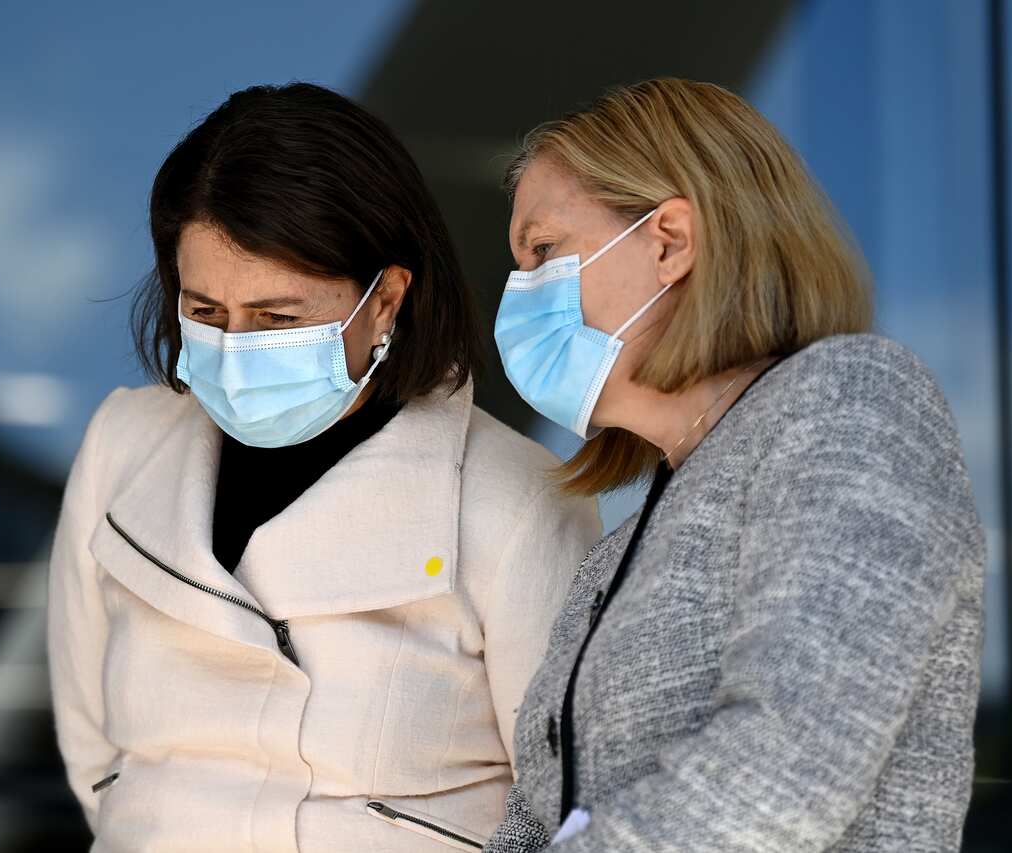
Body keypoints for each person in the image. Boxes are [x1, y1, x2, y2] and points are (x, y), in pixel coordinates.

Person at [47, 82, 601, 853]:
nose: (236, 347)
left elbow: (566, 804)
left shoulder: (516, 502)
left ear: (386, 300)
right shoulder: (125, 444)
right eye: (205, 312)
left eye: (278, 318)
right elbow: (93, 750)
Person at [485, 78, 985, 852]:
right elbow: (543, 805)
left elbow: (791, 760)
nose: (519, 293)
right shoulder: (624, 548)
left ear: (671, 241)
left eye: (543, 251)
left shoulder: (852, 402)